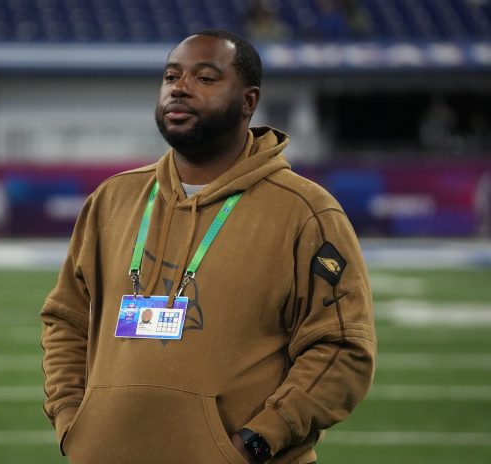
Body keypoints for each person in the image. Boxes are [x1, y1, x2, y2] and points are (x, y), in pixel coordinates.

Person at [41, 29, 376, 464]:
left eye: (205, 78)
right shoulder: (112, 199)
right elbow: (65, 319)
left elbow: (342, 347)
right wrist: (73, 421)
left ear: (248, 102)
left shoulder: (306, 211)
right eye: (171, 76)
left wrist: (258, 441)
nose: (179, 88)